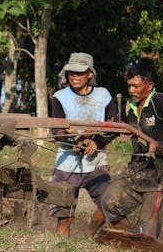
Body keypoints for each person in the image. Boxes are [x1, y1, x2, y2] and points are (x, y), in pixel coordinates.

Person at [99, 58, 163, 239]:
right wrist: (93, 142)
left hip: (158, 175)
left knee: (147, 233)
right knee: (108, 202)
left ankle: (141, 240)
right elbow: (112, 131)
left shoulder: (160, 102)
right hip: (134, 172)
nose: (131, 91)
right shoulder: (129, 106)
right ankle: (131, 238)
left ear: (149, 85)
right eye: (129, 86)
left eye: (136, 86)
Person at [49, 52, 118, 237]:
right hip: (66, 163)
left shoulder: (103, 95)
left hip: (96, 161)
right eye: (71, 72)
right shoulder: (59, 97)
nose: (74, 76)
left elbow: (114, 127)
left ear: (90, 74)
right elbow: (56, 131)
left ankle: (88, 236)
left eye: (79, 73)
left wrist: (97, 141)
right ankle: (61, 246)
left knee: (110, 204)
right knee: (64, 215)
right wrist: (70, 137)